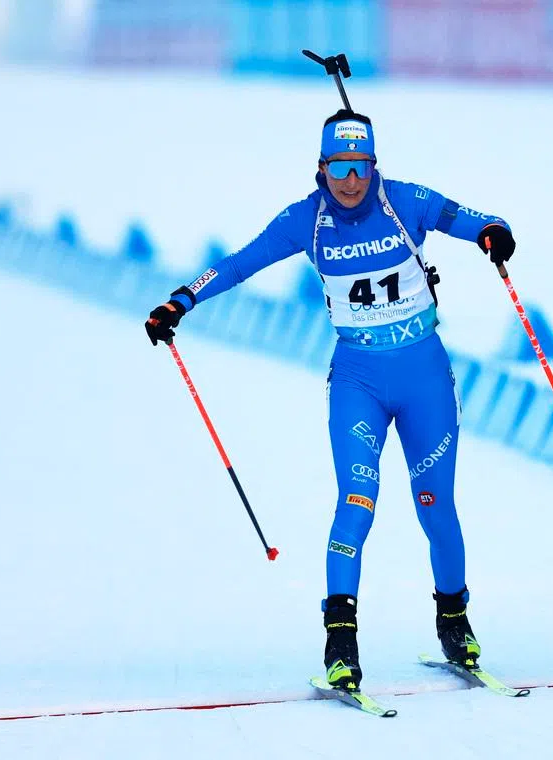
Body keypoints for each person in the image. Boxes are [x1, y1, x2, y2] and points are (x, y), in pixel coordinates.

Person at [145, 109, 515, 692]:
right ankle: (340, 642)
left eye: (360, 167)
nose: (350, 181)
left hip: (424, 377)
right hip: (358, 381)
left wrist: (493, 232)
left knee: (434, 504)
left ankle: (455, 622)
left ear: (373, 165)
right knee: (357, 501)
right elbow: (240, 263)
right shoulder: (305, 222)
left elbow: (469, 219)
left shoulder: (406, 201)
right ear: (320, 168)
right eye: (339, 167)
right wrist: (181, 301)